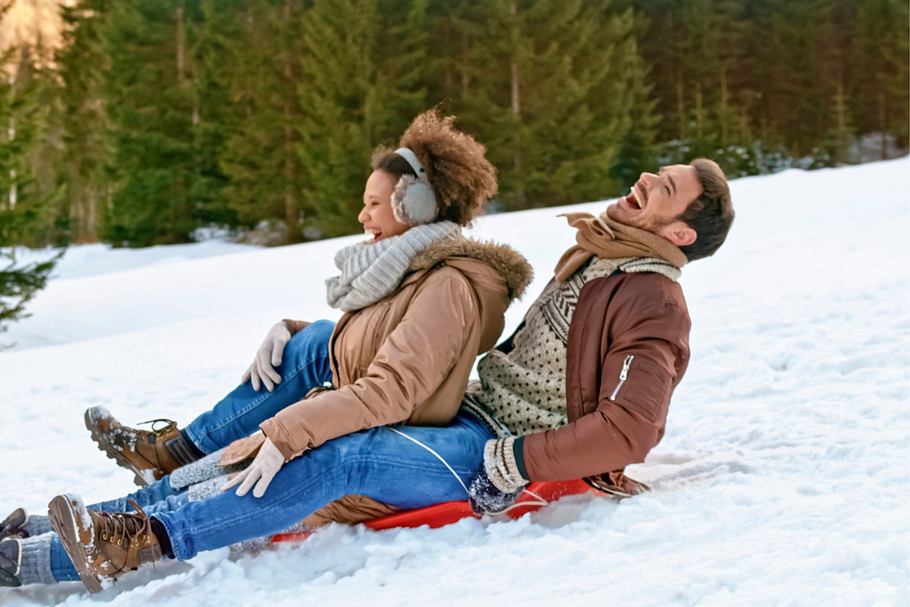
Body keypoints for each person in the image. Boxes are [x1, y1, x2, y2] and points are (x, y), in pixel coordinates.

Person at [3, 157, 733, 595]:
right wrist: (298, 337)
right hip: (474, 419)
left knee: (337, 454)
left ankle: (133, 540)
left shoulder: (652, 297)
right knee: (293, 424)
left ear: (680, 232)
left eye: (664, 185)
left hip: (498, 453)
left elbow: (631, 428)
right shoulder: (600, 255)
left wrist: (516, 461)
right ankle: (84, 521)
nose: (646, 177)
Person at [0, 110, 532, 590]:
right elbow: (367, 344)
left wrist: (286, 430)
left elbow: (392, 391)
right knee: (218, 466)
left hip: (404, 443)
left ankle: (83, 553)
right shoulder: (407, 268)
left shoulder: (447, 286)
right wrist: (292, 331)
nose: (362, 216)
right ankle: (47, 540)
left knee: (273, 464)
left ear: (414, 206)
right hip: (377, 426)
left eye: (373, 204)